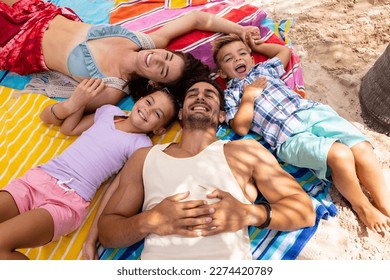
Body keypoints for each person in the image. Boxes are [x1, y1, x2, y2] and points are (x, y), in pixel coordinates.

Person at [97, 77, 315, 260]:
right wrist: (149, 221)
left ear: (221, 115)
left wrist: (249, 214)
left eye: (209, 95)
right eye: (192, 94)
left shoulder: (246, 151)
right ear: (181, 114)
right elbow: (107, 231)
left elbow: (304, 211)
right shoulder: (144, 157)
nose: (200, 96)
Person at [212, 33, 390, 233]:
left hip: (311, 113)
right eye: (229, 59)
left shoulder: (264, 69)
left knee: (361, 147)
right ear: (222, 73)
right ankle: (363, 207)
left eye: (242, 53)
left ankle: (384, 206)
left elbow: (284, 51)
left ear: (252, 58)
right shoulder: (231, 94)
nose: (237, 59)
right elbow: (241, 127)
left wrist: (257, 45)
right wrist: (248, 97)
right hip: (287, 136)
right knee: (340, 154)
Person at [0, 78, 179, 260]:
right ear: (140, 99)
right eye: (148, 102)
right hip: (38, 180)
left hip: (67, 202)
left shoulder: (140, 146)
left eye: (157, 114)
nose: (147, 110)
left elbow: (113, 191)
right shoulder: (109, 111)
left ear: (159, 130)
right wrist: (80, 100)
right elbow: (69, 128)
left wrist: (90, 240)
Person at [0, 0, 259, 113]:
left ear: (156, 83)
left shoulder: (110, 89)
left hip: (18, 42)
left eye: (163, 69)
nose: (156, 59)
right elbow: (198, 18)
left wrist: (74, 104)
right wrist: (240, 29)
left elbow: (64, 112)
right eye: (166, 57)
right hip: (38, 11)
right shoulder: (147, 42)